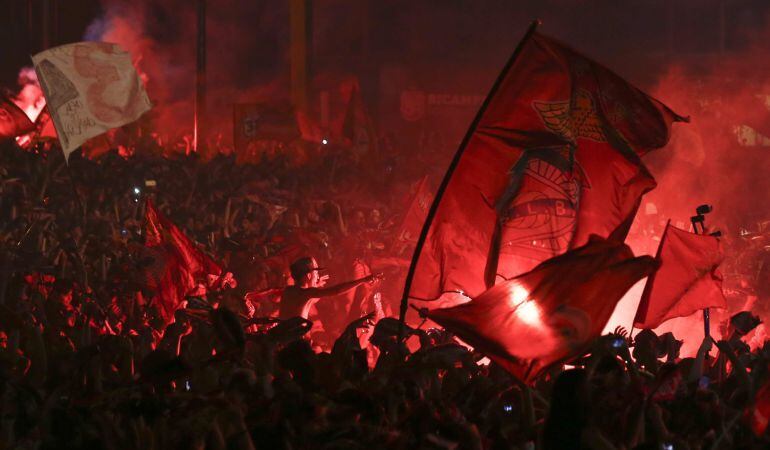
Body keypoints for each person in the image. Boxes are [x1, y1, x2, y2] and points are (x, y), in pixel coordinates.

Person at [278, 256, 382, 320]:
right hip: (295, 345)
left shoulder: (289, 291)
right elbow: (336, 290)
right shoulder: (305, 293)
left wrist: (316, 285)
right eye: (316, 272)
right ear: (309, 275)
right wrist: (363, 280)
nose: (318, 276)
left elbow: (308, 301)